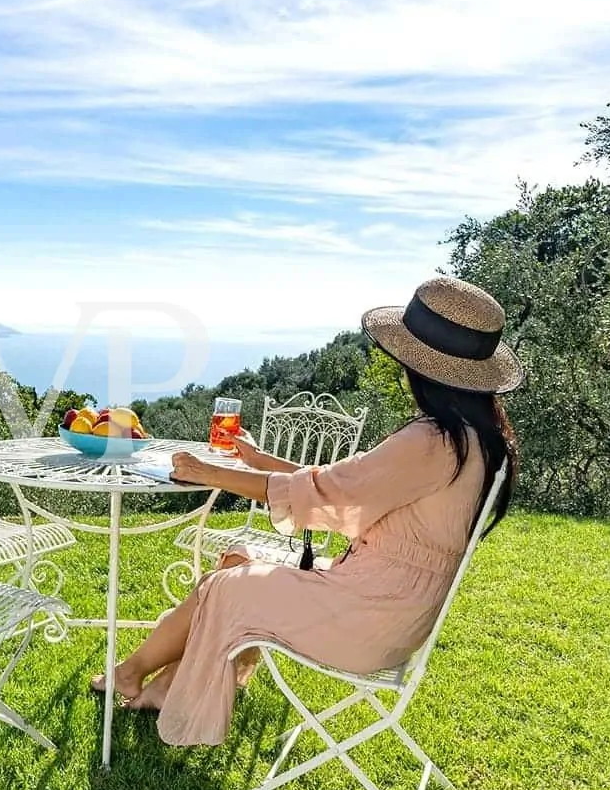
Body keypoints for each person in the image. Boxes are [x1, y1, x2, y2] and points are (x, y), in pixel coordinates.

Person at [93, 276, 524, 746]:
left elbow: (333, 494)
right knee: (238, 559)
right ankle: (154, 680)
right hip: (394, 611)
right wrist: (261, 463)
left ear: (422, 368)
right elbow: (347, 486)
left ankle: (133, 674)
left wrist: (208, 473)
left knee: (226, 587)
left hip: (368, 617)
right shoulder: (472, 440)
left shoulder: (432, 441)